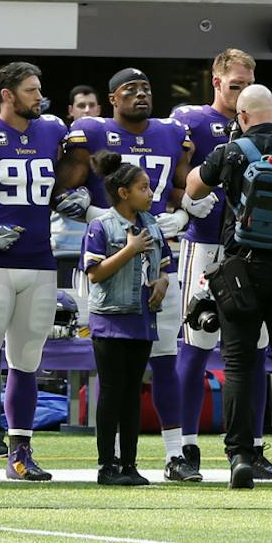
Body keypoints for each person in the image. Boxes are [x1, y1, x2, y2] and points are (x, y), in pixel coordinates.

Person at [0, 61, 91, 484]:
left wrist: (72, 196)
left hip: (40, 261)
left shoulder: (52, 130)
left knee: (28, 360)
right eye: (30, 89)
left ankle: (20, 453)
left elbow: (74, 174)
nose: (38, 96)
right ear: (7, 94)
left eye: (38, 88)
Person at [183, 83, 272, 490]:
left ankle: (240, 455)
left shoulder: (231, 152)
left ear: (241, 117)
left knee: (239, 364)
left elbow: (193, 188)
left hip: (241, 269)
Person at [72, 67, 197, 481]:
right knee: (115, 388)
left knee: (162, 363)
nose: (142, 94)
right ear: (113, 98)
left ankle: (166, 456)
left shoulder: (169, 133)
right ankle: (110, 462)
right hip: (112, 310)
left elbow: (178, 192)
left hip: (146, 304)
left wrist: (184, 210)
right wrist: (104, 222)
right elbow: (63, 190)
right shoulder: (91, 135)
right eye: (131, 89)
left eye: (147, 87)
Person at [80, 153, 174, 487]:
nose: (150, 193)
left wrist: (162, 282)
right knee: (111, 392)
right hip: (110, 320)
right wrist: (130, 249)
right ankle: (107, 465)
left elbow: (165, 263)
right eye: (143, 187)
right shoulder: (101, 226)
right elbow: (94, 273)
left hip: (142, 318)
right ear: (123, 192)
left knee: (133, 393)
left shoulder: (151, 225)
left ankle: (130, 465)